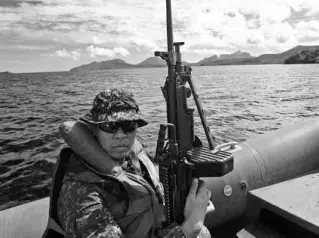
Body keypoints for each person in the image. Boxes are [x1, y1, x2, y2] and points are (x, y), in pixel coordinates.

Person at [45, 88, 213, 238]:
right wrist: (190, 227)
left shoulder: (131, 161)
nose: (120, 135)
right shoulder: (81, 193)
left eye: (128, 125)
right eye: (110, 126)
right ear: (94, 129)